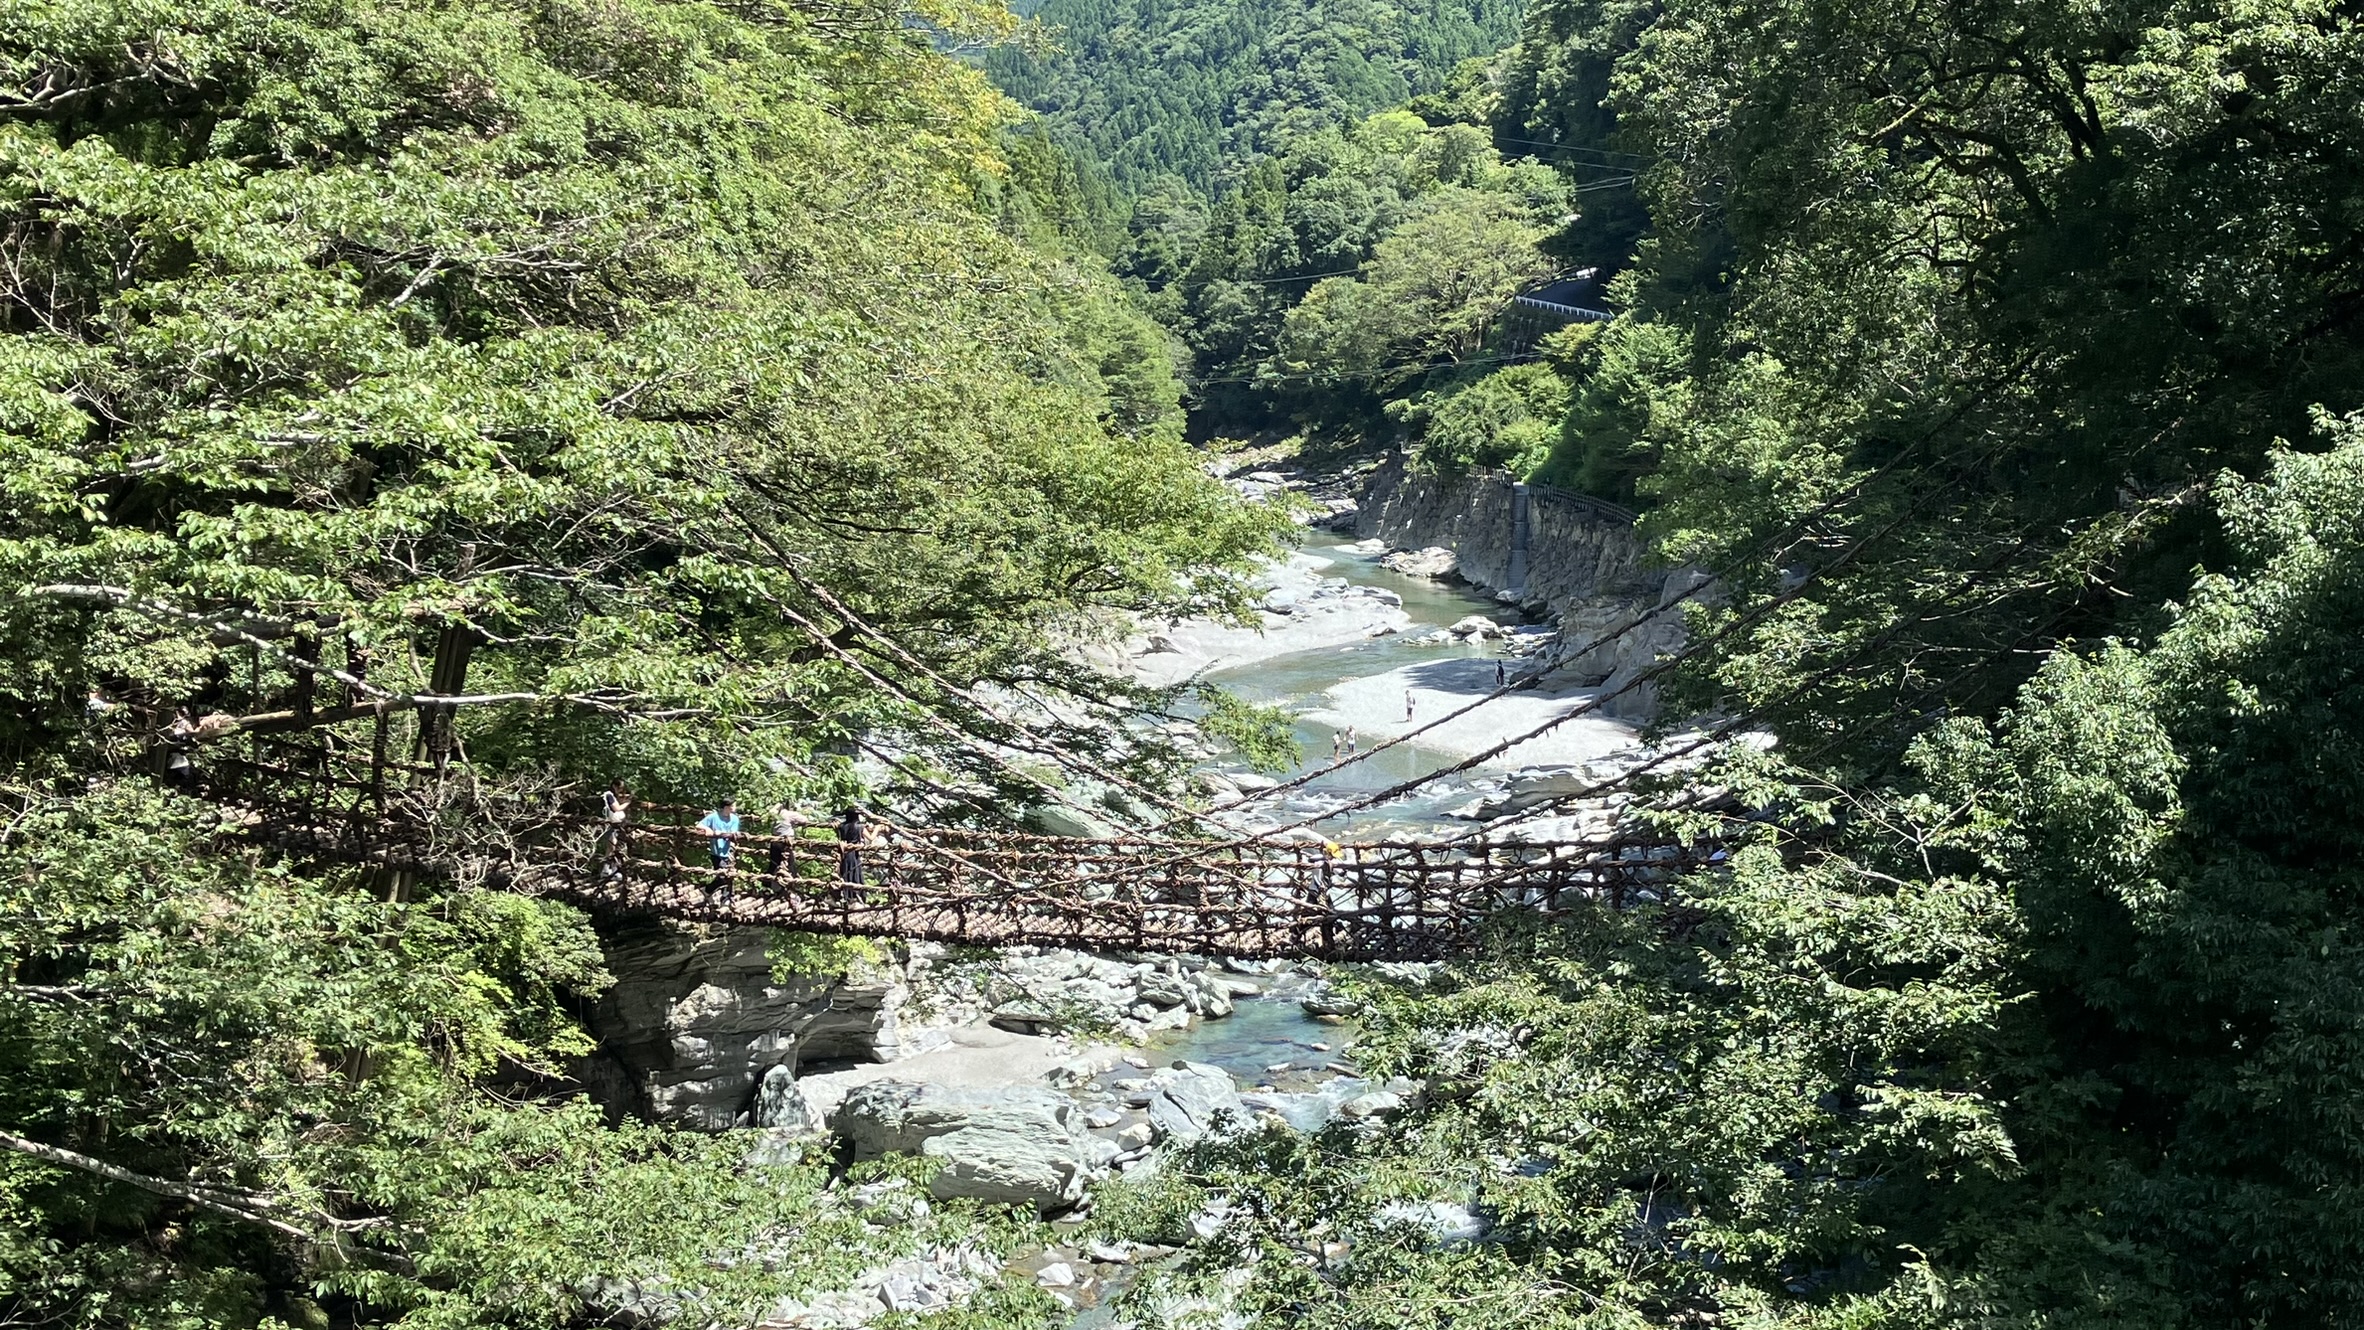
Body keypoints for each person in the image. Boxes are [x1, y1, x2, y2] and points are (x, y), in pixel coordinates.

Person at [698, 798, 742, 904]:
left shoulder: (735, 819)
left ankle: (722, 897)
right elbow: (699, 825)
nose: (735, 807)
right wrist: (709, 830)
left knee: (727, 876)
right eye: (733, 805)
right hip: (716, 852)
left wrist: (719, 833)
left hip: (729, 852)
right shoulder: (714, 817)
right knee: (723, 876)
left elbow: (733, 833)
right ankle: (709, 891)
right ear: (727, 807)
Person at [835, 806, 867, 893]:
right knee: (855, 872)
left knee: (845, 871)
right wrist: (878, 828)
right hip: (854, 853)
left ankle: (846, 894)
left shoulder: (841, 826)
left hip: (845, 853)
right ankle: (857, 894)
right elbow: (871, 838)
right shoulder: (860, 826)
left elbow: (840, 837)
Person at [766, 801, 797, 879]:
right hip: (785, 843)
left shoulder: (775, 815)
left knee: (774, 862)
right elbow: (804, 820)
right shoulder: (790, 814)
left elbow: (770, 812)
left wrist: (776, 807)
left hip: (775, 842)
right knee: (789, 863)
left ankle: (770, 880)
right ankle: (788, 880)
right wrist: (794, 824)